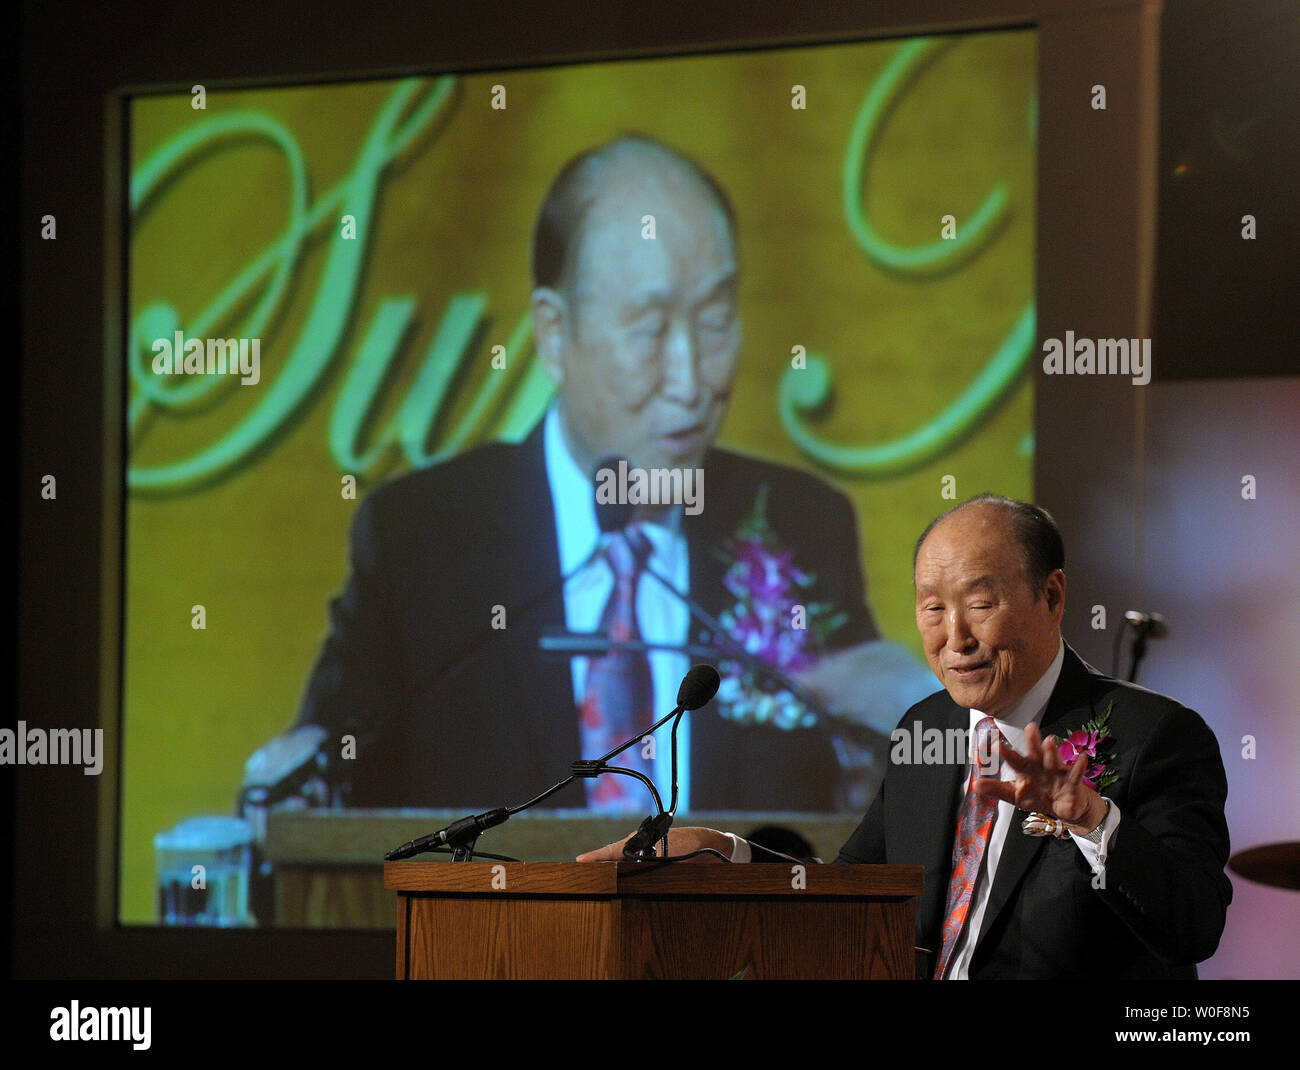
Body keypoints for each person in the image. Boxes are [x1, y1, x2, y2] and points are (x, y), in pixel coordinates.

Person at [269, 135, 933, 814]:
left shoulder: (797, 523)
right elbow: (324, 786)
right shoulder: (421, 540)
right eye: (649, 330)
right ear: (554, 335)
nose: (691, 380)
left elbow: (850, 795)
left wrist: (907, 744)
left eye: (715, 321)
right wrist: (292, 789)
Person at [580, 495, 1233, 979]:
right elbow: (849, 898)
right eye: (932, 608)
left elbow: (1195, 925)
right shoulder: (926, 728)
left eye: (980, 602)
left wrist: (1091, 819)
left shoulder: (1157, 737)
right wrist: (722, 852)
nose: (955, 637)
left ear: (1052, 596)